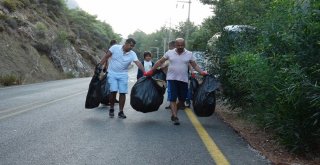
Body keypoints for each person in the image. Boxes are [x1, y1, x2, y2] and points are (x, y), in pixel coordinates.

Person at [144, 38, 207, 125]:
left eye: (182, 45)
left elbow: (194, 65)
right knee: (172, 98)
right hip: (172, 79)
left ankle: (174, 112)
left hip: (183, 79)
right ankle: (175, 116)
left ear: (184, 45)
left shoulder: (189, 54)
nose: (180, 47)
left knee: (182, 100)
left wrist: (202, 72)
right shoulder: (169, 53)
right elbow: (160, 61)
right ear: (175, 45)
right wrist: (151, 70)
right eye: (178, 45)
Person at [100, 38, 145, 119]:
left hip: (123, 74)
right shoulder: (115, 48)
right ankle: (111, 108)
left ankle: (121, 111)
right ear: (126, 43)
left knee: (123, 92)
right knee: (113, 91)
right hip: (112, 73)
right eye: (130, 45)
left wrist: (145, 72)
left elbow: (138, 63)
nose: (131, 47)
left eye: (133, 46)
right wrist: (99, 66)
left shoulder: (132, 54)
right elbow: (106, 56)